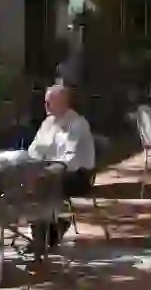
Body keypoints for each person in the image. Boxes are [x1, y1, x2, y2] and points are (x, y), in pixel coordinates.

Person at [27, 85, 96, 246]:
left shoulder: (78, 124)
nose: (46, 106)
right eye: (45, 102)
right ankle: (44, 230)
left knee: (44, 184)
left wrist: (49, 170)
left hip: (78, 175)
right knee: (27, 181)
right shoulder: (48, 123)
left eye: (49, 103)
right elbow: (33, 149)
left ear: (63, 103)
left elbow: (70, 159)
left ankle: (46, 234)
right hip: (51, 171)